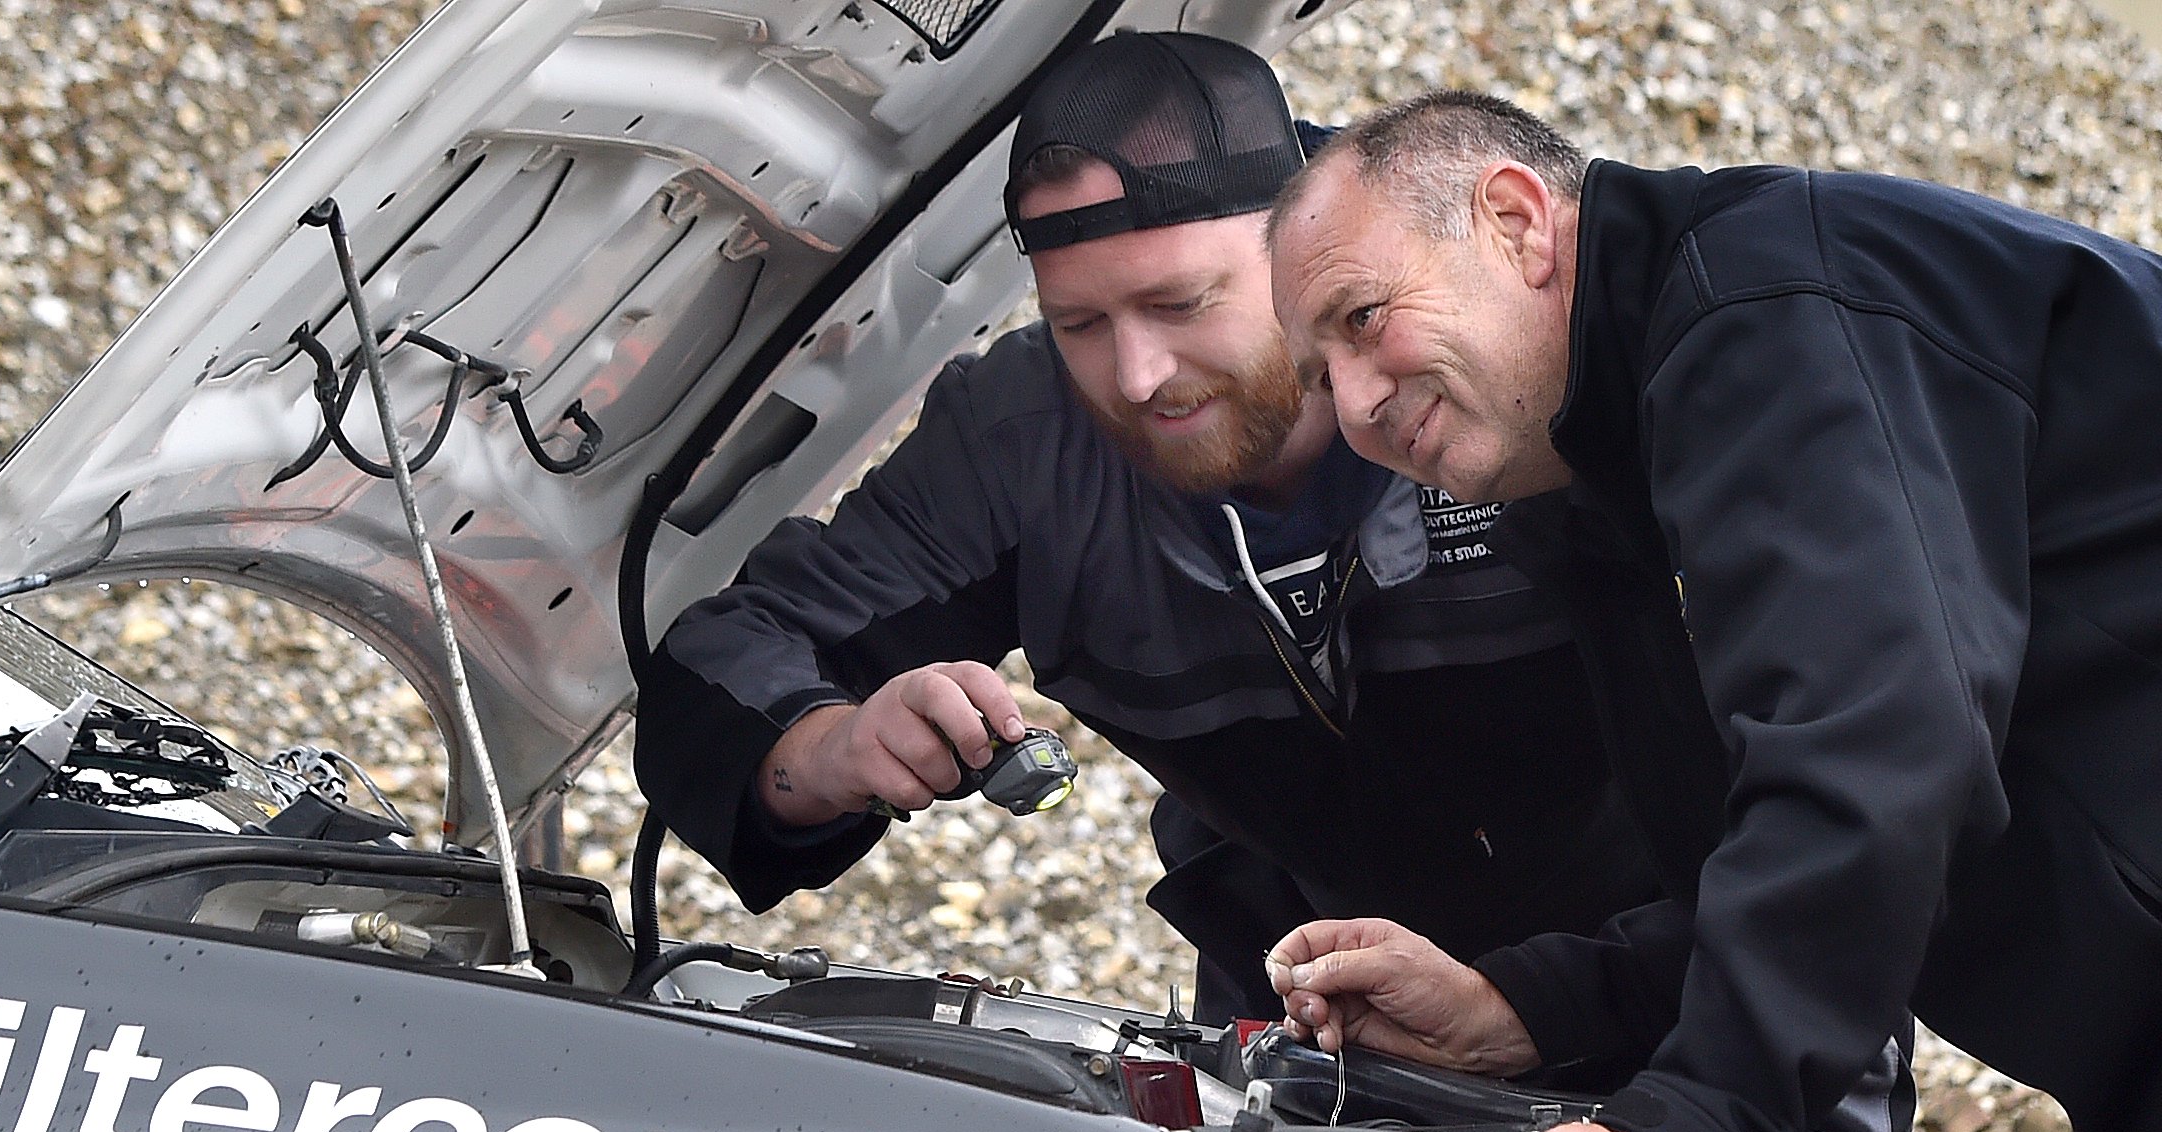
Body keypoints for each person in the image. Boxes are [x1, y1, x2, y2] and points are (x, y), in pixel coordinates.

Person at [1267, 91, 2162, 1132]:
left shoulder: (1769, 307)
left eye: (1362, 318)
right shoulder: (1604, 485)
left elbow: (1885, 753)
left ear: (1519, 223)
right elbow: (1774, 860)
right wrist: (1527, 1008)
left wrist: (1702, 1121)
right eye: (1319, 379)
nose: (1357, 404)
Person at [634, 35, 1658, 1025]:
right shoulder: (1026, 444)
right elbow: (725, 654)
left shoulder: (1510, 341)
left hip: (1681, 986)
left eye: (1181, 302)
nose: (1136, 377)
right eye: (1078, 323)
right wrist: (832, 746)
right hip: (1313, 1032)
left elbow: (1803, 716)